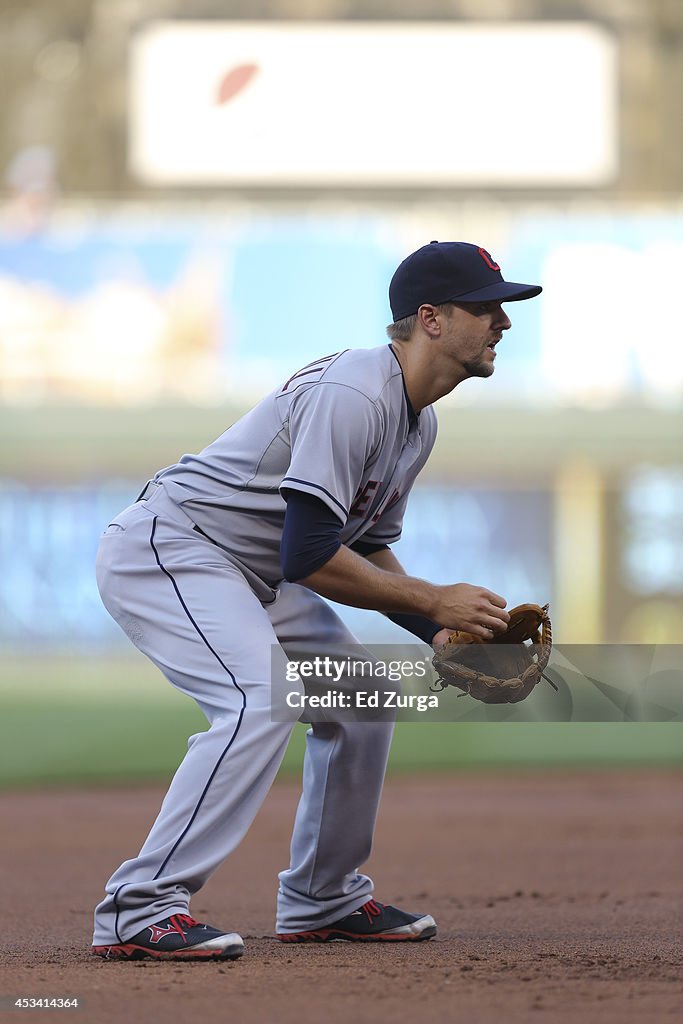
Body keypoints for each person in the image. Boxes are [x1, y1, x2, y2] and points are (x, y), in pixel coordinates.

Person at [91, 240, 542, 961]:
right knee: (255, 700)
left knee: (363, 699)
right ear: (429, 318)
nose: (502, 323)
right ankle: (137, 908)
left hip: (249, 570)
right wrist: (435, 600)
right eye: (485, 308)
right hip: (175, 548)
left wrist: (438, 631)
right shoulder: (355, 393)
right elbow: (307, 557)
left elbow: (357, 548)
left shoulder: (415, 422)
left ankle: (322, 897)